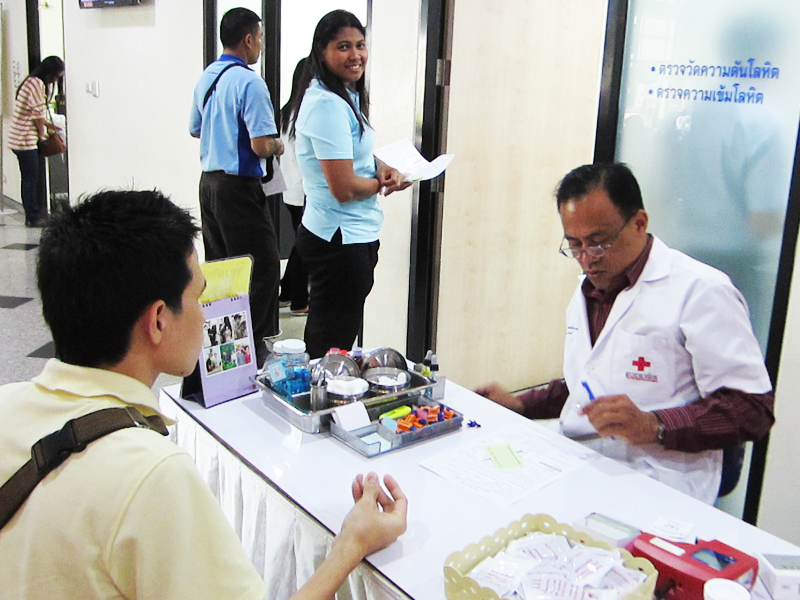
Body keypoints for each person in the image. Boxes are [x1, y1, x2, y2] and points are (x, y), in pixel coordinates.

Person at [0, 190, 407, 599]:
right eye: (198, 296)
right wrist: (351, 544)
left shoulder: (6, 406)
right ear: (158, 321)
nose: (206, 311)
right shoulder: (152, 474)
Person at [476, 163, 774, 505]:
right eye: (575, 245)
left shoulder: (702, 291)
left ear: (639, 223)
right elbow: (591, 384)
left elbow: (753, 410)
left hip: (660, 479)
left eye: (599, 243)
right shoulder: (589, 292)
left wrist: (655, 426)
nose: (586, 259)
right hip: (581, 461)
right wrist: (522, 403)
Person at [287, 10, 411, 359]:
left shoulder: (344, 94)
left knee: (337, 337)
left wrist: (382, 167)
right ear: (321, 51)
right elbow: (343, 188)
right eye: (344, 46)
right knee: (330, 347)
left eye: (360, 45)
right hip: (339, 240)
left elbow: (354, 156)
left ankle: (329, 401)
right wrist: (385, 184)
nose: (356, 55)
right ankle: (323, 408)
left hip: (349, 235)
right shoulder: (326, 104)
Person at [189, 7, 283, 367]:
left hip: (209, 184)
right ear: (248, 39)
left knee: (223, 269)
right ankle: (253, 348)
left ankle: (224, 348)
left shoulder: (208, 77)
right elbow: (262, 144)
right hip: (238, 188)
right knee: (261, 268)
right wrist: (277, 145)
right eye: (259, 38)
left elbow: (195, 129)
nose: (260, 45)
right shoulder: (250, 82)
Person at [8, 55, 64, 227]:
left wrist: (47, 124)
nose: (56, 79)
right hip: (25, 140)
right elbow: (37, 116)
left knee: (30, 178)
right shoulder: (36, 84)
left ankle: (34, 213)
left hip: (19, 138)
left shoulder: (30, 81)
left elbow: (32, 113)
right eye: (57, 75)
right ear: (50, 72)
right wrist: (43, 136)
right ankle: (33, 217)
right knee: (31, 179)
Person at [278, 57, 311, 315]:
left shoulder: (285, 112)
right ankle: (299, 300)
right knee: (304, 247)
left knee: (299, 244)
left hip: (289, 189)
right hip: (304, 190)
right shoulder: (305, 114)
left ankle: (287, 291)